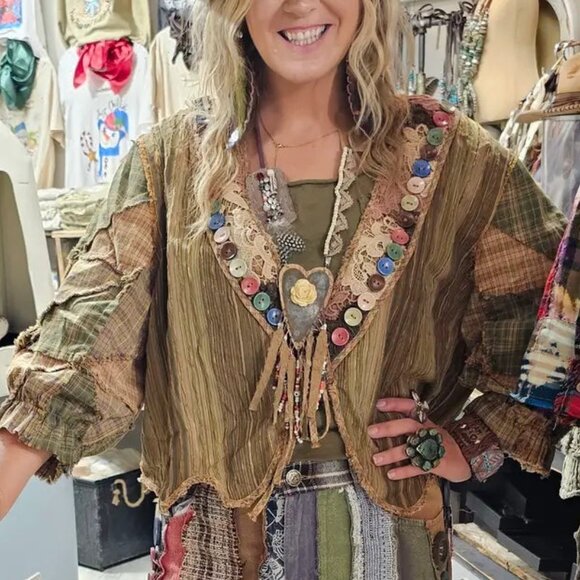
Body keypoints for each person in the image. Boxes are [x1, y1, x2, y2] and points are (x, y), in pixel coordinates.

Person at [0, 1, 567, 578]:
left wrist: (473, 446)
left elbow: (550, 316)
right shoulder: (170, 164)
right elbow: (85, 346)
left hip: (390, 542)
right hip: (215, 549)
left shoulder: (452, 160)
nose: (300, 4)